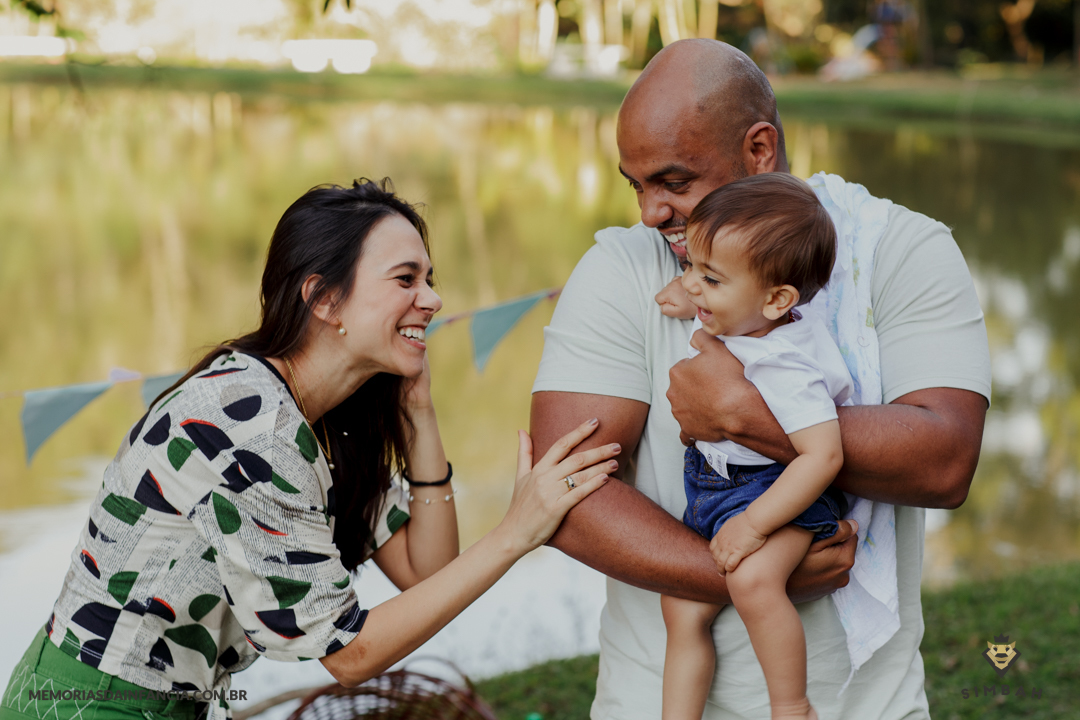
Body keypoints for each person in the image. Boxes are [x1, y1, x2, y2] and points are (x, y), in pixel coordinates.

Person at [0, 179, 619, 720]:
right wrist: (517, 532)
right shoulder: (251, 425)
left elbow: (428, 573)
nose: (431, 300)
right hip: (90, 704)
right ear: (324, 299)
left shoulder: (322, 422)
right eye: (406, 279)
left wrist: (420, 414)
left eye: (430, 279)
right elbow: (351, 656)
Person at [530, 40, 990, 719]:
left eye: (674, 182)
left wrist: (747, 414)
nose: (650, 211)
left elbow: (947, 460)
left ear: (759, 150)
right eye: (637, 184)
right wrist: (757, 574)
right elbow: (562, 494)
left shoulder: (903, 250)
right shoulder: (619, 268)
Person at [660, 174, 853, 720]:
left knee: (753, 581)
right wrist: (695, 293)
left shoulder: (788, 364)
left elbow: (823, 456)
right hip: (715, 482)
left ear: (777, 300)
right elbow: (716, 297)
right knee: (679, 602)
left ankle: (792, 707)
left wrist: (754, 524)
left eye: (710, 278)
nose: (693, 285)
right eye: (690, 268)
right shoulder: (751, 318)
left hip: (778, 493)